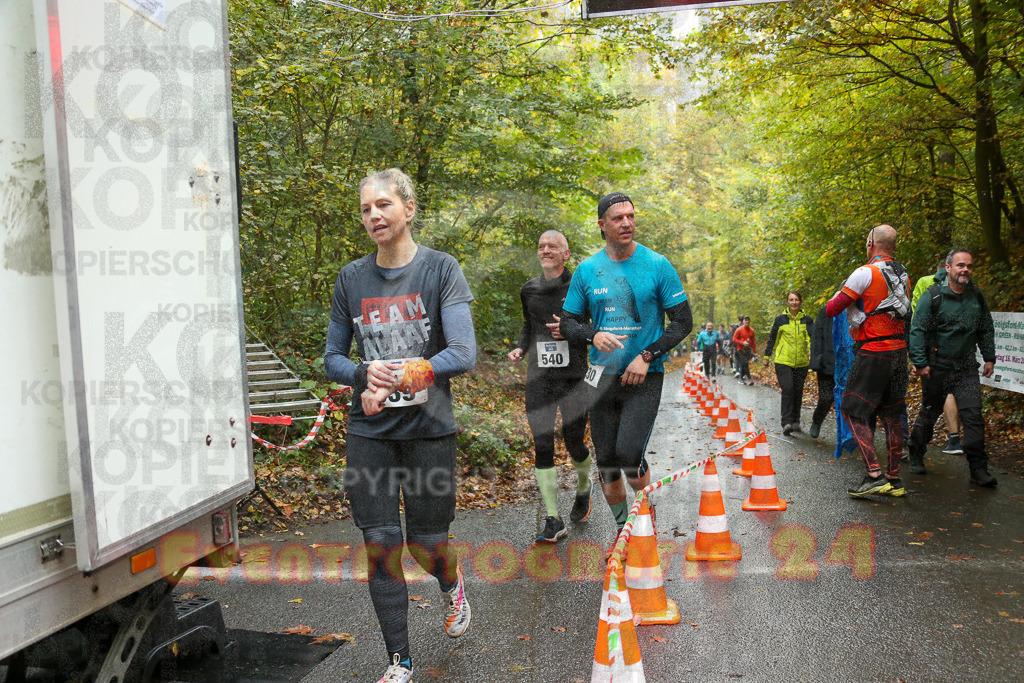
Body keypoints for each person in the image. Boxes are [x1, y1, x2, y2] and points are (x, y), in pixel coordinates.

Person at [324, 169, 476, 683]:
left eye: (384, 205)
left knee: (425, 545)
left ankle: (452, 584)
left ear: (409, 209)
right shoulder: (351, 278)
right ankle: (399, 660)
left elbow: (462, 352)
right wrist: (365, 373)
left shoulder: (441, 269)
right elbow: (332, 358)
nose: (374, 216)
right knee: (382, 542)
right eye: (366, 209)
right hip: (370, 433)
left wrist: (405, 374)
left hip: (429, 430)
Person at [560, 191, 692, 542]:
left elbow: (682, 322)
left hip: (643, 375)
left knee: (630, 455)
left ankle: (645, 518)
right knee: (607, 463)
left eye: (631, 216)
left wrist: (647, 355)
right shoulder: (588, 270)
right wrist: (593, 335)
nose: (627, 223)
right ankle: (624, 530)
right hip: (600, 377)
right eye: (618, 218)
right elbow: (569, 323)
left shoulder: (658, 265)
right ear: (602, 225)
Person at [508, 230, 593, 543]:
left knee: (574, 444)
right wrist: (520, 347)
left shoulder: (580, 287)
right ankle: (553, 518)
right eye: (541, 245)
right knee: (542, 444)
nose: (545, 250)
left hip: (574, 377)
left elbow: (597, 329)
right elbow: (528, 327)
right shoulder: (528, 289)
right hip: (540, 378)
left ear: (566, 254)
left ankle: (585, 486)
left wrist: (573, 330)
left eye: (552, 246)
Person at [825, 224, 911, 498]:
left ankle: (873, 474)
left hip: (874, 351)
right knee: (892, 414)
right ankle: (894, 479)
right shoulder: (903, 274)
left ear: (871, 243)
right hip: (899, 352)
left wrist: (843, 296)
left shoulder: (864, 272)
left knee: (851, 409)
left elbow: (832, 309)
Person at [907, 248, 997, 486]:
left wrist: (989, 357)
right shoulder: (934, 296)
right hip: (937, 368)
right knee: (929, 414)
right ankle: (915, 452)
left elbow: (985, 328)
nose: (965, 269)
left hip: (966, 369)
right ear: (948, 268)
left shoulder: (976, 297)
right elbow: (917, 330)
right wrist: (920, 362)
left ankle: (978, 469)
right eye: (960, 265)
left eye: (968, 265)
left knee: (973, 417)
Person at [911, 265, 963, 455]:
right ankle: (920, 447)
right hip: (939, 352)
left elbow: (914, 316)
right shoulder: (930, 284)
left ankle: (920, 447)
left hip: (943, 353)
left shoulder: (965, 288)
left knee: (935, 403)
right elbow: (918, 320)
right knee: (934, 403)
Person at [763, 290, 812, 435]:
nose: (794, 302)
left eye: (796, 299)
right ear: (787, 302)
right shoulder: (780, 320)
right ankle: (786, 422)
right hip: (783, 361)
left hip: (802, 362)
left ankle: (795, 421)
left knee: (798, 391)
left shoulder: (807, 320)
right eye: (791, 300)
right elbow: (773, 338)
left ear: (800, 302)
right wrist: (767, 356)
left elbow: (811, 339)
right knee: (788, 388)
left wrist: (812, 354)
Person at [808, 304, 836, 438]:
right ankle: (817, 421)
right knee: (826, 398)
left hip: (848, 364)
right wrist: (816, 360)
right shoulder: (827, 311)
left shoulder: (857, 310)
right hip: (826, 364)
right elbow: (816, 337)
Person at [732, 315, 756, 385]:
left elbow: (753, 341)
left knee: (744, 364)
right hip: (740, 350)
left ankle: (741, 379)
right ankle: (749, 378)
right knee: (745, 363)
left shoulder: (752, 330)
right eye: (746, 320)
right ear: (743, 321)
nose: (747, 321)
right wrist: (742, 343)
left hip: (748, 350)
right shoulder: (739, 329)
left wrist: (755, 351)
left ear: (750, 321)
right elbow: (734, 339)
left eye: (748, 320)